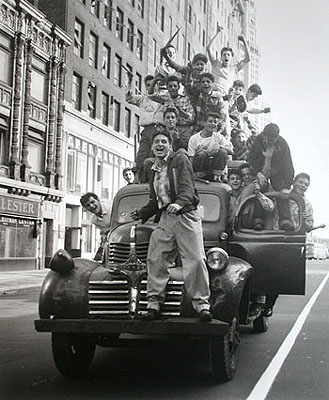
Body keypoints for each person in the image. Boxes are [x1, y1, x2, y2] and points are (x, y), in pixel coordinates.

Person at [130, 130, 212, 322]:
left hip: (185, 215)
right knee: (156, 258)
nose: (160, 145)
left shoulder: (180, 160)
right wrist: (142, 213)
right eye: (156, 142)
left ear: (170, 145)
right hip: (166, 217)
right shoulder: (153, 168)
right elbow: (155, 200)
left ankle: (202, 306)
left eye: (164, 142)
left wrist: (180, 203)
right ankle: (153, 304)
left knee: (195, 260)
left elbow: (187, 188)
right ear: (151, 147)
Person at [264, 172, 314, 318]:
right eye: (301, 182)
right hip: (274, 237)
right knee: (265, 273)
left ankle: (269, 306)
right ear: (294, 182)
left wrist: (305, 220)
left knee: (280, 277)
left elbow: (309, 226)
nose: (303, 186)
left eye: (306, 184)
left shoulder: (307, 204)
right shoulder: (282, 196)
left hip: (292, 242)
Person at [248, 123, 295, 230]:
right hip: (262, 169)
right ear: (264, 135)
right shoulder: (258, 141)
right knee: (260, 189)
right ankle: (258, 220)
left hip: (277, 171)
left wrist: (287, 187)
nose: (270, 141)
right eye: (268, 138)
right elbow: (251, 159)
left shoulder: (282, 144)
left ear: (277, 137)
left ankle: (285, 220)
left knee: (280, 189)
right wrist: (257, 173)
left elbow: (288, 166)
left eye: (273, 139)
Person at [126, 73, 164, 182]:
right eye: (147, 85)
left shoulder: (162, 98)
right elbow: (129, 98)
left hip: (159, 131)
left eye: (152, 84)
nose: (150, 87)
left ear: (157, 85)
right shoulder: (142, 99)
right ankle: (141, 180)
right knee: (141, 157)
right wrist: (130, 81)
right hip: (147, 130)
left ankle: (155, 180)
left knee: (155, 156)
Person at [188, 111, 233, 181]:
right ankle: (200, 177)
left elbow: (231, 151)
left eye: (215, 122)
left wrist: (219, 147)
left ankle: (217, 177)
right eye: (210, 121)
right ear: (204, 123)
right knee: (201, 153)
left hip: (215, 168)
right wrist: (191, 174)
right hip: (200, 169)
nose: (213, 124)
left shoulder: (218, 136)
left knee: (223, 151)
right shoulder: (194, 139)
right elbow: (191, 159)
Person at [207, 28, 250, 96]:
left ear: (231, 58)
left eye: (228, 55)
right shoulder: (216, 64)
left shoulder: (234, 69)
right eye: (224, 55)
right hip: (213, 94)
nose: (226, 56)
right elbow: (209, 48)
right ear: (221, 57)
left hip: (224, 97)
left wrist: (244, 41)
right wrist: (218, 33)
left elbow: (247, 59)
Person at [80, 192, 111, 261]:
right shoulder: (93, 220)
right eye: (88, 205)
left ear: (98, 200)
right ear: (86, 208)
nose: (91, 206)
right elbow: (104, 233)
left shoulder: (111, 208)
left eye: (93, 202)